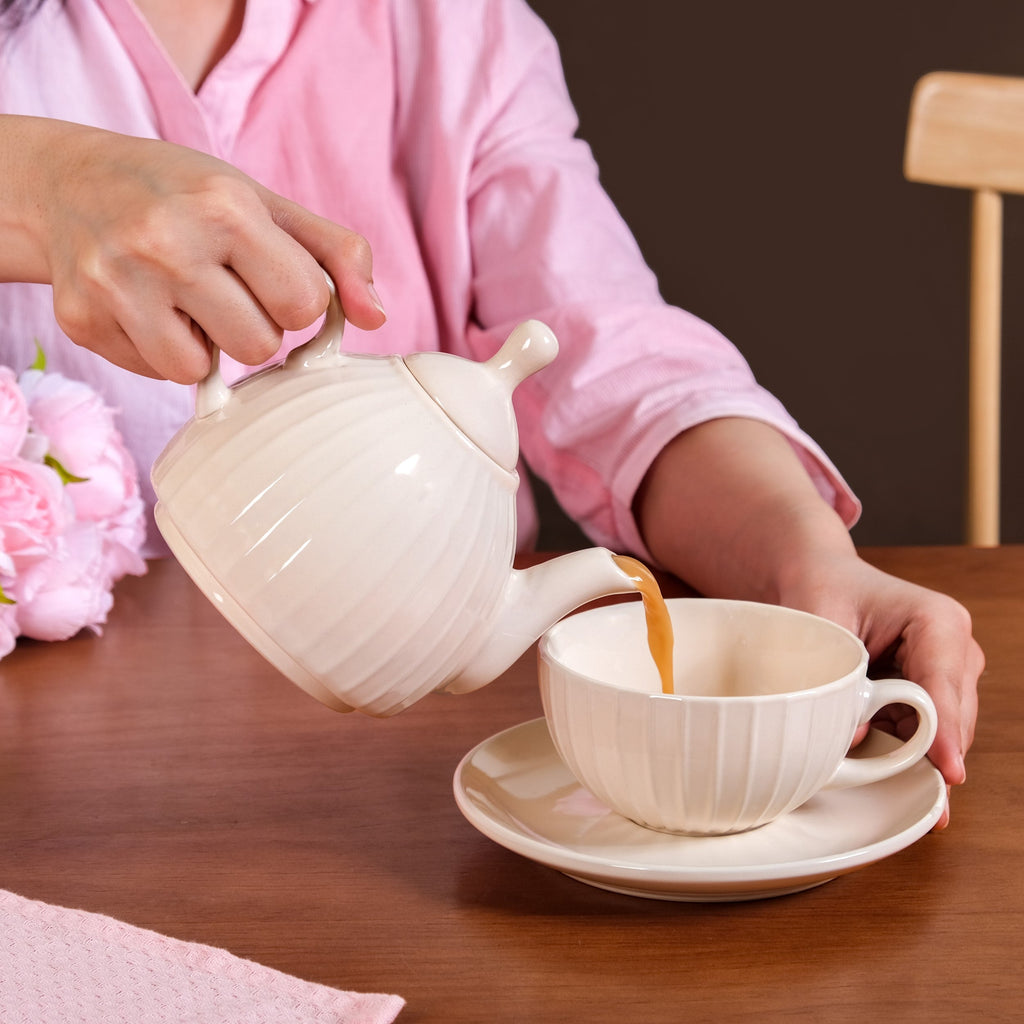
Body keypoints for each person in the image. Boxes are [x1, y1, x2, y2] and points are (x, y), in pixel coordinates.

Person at [0, 0, 980, 825]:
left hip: (380, 794)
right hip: (46, 787)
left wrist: (800, 554)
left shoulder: (447, 21)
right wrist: (43, 185)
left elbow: (609, 348)